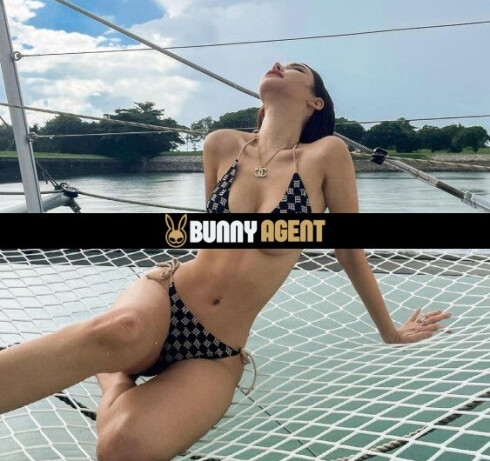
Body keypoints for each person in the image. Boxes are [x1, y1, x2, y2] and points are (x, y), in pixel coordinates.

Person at [0, 61, 451, 461]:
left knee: (124, 448)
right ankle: (119, 352)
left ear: (315, 102)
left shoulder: (326, 154)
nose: (279, 64)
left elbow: (349, 248)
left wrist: (389, 331)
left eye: (296, 68)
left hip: (217, 347)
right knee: (121, 330)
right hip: (167, 297)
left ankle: (115, 377)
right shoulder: (221, 144)